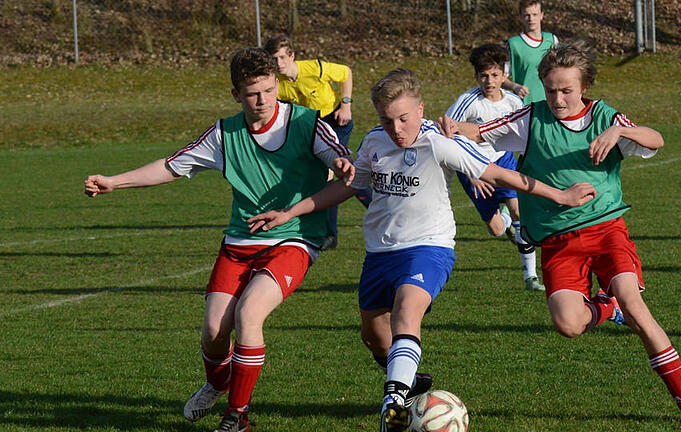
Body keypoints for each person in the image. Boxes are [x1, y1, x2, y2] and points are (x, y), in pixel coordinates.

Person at [247, 68, 596, 432]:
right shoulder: (374, 142)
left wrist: (559, 195)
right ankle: (407, 383)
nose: (397, 128)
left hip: (430, 246)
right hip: (380, 253)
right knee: (374, 337)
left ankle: (393, 407)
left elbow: (497, 173)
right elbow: (349, 187)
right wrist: (291, 211)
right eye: (387, 119)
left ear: (420, 109)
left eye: (403, 118)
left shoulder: (437, 141)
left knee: (406, 313)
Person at [437, 40, 681, 426]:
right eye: (550, 89)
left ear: (583, 86)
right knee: (568, 324)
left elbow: (656, 139)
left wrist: (620, 132)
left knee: (636, 308)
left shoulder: (605, 118)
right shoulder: (531, 119)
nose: (558, 98)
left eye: (566, 90)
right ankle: (606, 307)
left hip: (607, 231)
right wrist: (455, 127)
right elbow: (481, 131)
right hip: (558, 242)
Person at [83, 47, 355, 432]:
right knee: (213, 333)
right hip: (239, 244)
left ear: (277, 85)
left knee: (249, 314)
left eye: (267, 90)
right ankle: (218, 383)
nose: (261, 100)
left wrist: (341, 163)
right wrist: (115, 181)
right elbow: (171, 166)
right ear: (236, 95)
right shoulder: (224, 134)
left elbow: (343, 162)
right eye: (251, 93)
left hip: (293, 240)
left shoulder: (307, 122)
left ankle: (237, 416)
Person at [445, 43, 544, 291]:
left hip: (503, 160)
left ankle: (531, 277)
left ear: (504, 75)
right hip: (473, 167)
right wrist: (471, 173)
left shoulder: (512, 101)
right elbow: (446, 134)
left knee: (520, 211)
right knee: (497, 229)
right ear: (477, 76)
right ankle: (506, 222)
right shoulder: (467, 102)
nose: (489, 80)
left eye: (495, 75)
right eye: (484, 75)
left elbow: (525, 134)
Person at [265, 35, 372, 250]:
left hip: (336, 122)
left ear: (292, 56)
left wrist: (346, 106)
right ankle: (327, 233)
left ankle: (376, 207)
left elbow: (346, 73)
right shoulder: (278, 84)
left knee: (336, 174)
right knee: (321, 179)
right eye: (274, 59)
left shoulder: (314, 68)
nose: (279, 64)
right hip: (313, 130)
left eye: (282, 57)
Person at [503, 0, 558, 104]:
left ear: (541, 15)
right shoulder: (513, 44)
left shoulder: (552, 40)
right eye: (527, 15)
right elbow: (500, 77)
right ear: (521, 17)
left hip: (551, 103)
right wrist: (515, 86)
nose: (531, 19)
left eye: (534, 14)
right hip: (524, 105)